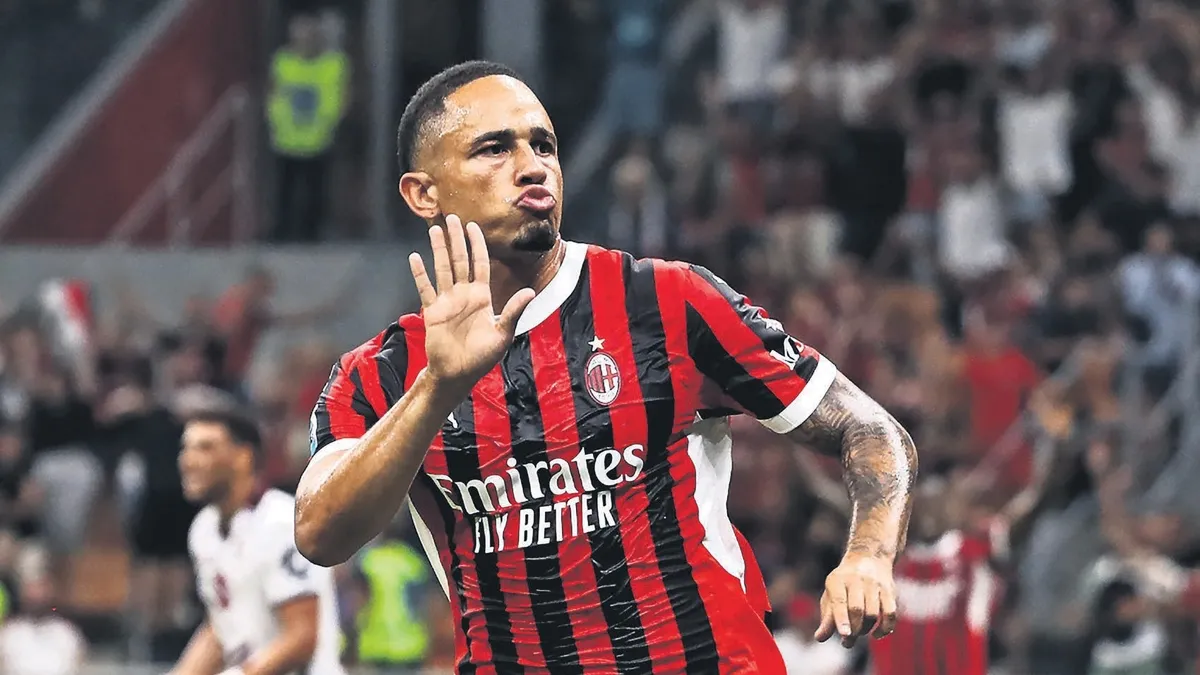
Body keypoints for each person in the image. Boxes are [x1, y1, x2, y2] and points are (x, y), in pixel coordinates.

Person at [295, 60, 918, 672]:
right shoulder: (381, 373)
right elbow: (320, 534)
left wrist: (868, 553)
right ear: (423, 193)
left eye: (544, 145)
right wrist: (439, 387)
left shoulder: (667, 301)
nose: (533, 166)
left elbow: (870, 428)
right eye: (495, 149)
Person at [171, 409, 344, 675]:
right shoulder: (203, 530)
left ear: (244, 457)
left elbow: (301, 636)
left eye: (205, 448)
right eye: (186, 448)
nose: (188, 460)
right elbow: (220, 629)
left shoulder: (282, 523)